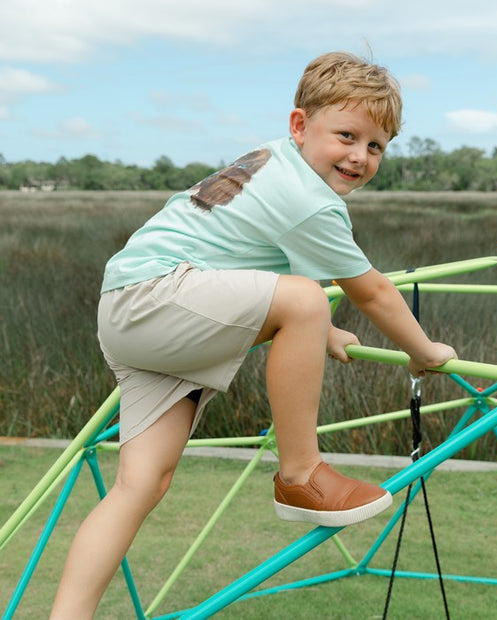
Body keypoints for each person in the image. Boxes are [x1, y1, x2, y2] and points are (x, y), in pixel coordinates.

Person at [50, 51, 457, 618]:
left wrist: (319, 328)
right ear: (300, 124)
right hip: (156, 297)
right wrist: (424, 351)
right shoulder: (312, 202)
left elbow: (243, 253)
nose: (360, 156)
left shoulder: (271, 160)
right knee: (306, 297)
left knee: (139, 485)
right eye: (347, 135)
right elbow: (374, 293)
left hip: (132, 313)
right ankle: (300, 474)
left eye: (376, 146)